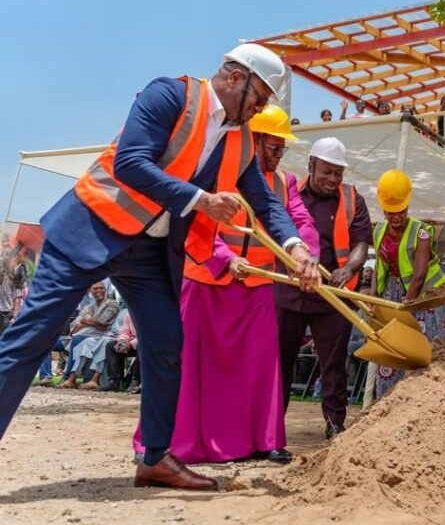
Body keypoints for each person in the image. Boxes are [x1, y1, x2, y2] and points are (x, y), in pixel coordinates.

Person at [0, 44, 320, 490]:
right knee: (29, 339)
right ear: (233, 77)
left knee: (167, 341)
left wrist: (296, 246)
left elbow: (265, 201)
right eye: (258, 98)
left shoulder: (240, 137)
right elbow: (131, 162)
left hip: (148, 250)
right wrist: (202, 200)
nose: (259, 109)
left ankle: (154, 457)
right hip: (91, 227)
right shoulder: (169, 96)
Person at [137, 105, 320, 465]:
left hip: (257, 287)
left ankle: (264, 440)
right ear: (255, 141)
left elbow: (301, 221)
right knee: (192, 367)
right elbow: (195, 222)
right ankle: (175, 442)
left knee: (259, 368)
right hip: (207, 280)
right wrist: (225, 258)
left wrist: (306, 254)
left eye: (283, 147)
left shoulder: (286, 183)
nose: (279, 154)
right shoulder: (220, 172)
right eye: (273, 145)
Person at [277, 137, 370, 440]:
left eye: (338, 174)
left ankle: (335, 423)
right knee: (280, 362)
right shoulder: (290, 193)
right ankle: (273, 427)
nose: (332, 180)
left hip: (331, 296)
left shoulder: (353, 199)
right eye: (326, 172)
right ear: (311, 165)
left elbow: (361, 243)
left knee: (334, 363)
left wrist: (349, 268)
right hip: (288, 293)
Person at [371, 169, 445, 397]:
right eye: (390, 213)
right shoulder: (379, 231)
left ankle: (435, 398)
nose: (396, 217)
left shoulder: (421, 232)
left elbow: (419, 274)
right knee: (392, 352)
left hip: (425, 298)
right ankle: (389, 400)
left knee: (427, 348)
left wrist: (408, 303)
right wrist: (374, 298)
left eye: (400, 211)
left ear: (408, 206)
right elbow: (378, 268)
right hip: (393, 293)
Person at [57, 282, 121, 389]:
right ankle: (71, 379)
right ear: (90, 291)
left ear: (105, 290)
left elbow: (103, 323)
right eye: (95, 288)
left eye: (101, 288)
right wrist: (89, 322)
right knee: (84, 342)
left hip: (107, 336)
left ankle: (86, 379)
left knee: (83, 340)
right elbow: (75, 325)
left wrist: (85, 321)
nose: (98, 290)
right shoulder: (88, 306)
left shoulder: (112, 304)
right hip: (89, 337)